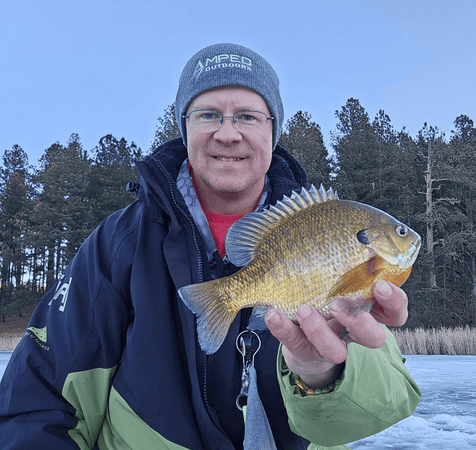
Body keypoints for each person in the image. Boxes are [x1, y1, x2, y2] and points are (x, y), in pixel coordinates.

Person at [0, 43, 421, 449]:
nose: (228, 133)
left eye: (248, 116)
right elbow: (38, 399)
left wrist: (322, 372)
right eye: (208, 115)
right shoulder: (119, 244)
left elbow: (378, 410)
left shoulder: (333, 229)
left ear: (273, 130)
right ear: (184, 128)